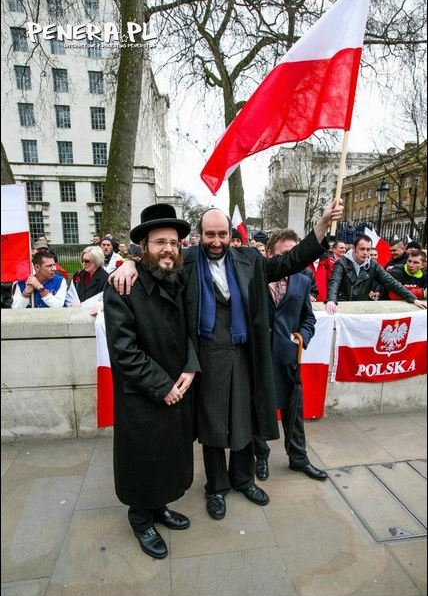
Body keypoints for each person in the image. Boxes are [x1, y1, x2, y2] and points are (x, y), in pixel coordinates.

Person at [109, 200, 345, 521]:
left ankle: (243, 480)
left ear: (231, 235)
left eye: (222, 234)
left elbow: (289, 261)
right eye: (210, 234)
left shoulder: (251, 260)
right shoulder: (186, 260)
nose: (216, 241)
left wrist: (320, 227)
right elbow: (157, 263)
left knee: (244, 421)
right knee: (213, 425)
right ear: (200, 235)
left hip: (245, 355)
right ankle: (216, 488)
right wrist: (129, 263)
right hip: (205, 358)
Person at [103, 204, 200, 559]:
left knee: (168, 456)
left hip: (178, 385)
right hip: (144, 393)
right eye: (160, 242)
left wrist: (190, 367)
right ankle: (140, 517)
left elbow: (189, 328)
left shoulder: (179, 276)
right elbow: (124, 351)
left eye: (174, 242)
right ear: (143, 246)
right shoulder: (121, 286)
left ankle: (158, 507)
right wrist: (164, 387)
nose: (168, 249)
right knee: (143, 459)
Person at [254, 229, 327, 482]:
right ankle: (260, 458)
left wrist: (302, 338)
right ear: (271, 253)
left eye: (297, 253)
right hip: (259, 359)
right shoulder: (256, 276)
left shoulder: (304, 279)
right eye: (287, 254)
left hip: (288, 358)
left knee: (294, 412)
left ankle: (298, 458)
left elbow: (308, 318)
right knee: (258, 411)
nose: (294, 259)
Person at [325, 235, 427, 314]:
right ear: (353, 248)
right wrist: (331, 300)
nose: (365, 253)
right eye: (362, 249)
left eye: (368, 249)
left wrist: (412, 298)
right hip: (343, 307)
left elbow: (390, 281)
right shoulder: (341, 263)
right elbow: (335, 282)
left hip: (362, 308)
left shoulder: (373, 265)